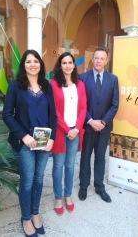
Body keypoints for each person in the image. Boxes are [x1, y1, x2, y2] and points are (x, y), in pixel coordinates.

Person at [2, 50, 57, 237]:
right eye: (28, 61)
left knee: (39, 179)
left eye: (36, 61)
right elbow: (7, 115)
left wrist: (53, 138)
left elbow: (53, 115)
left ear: (40, 64)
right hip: (25, 141)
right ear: (23, 65)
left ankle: (35, 213)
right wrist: (23, 136)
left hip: (43, 140)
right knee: (27, 181)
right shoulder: (15, 86)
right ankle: (25, 218)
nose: (32, 64)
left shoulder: (47, 86)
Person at [78, 47, 119, 203]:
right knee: (85, 157)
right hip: (87, 126)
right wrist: (89, 120)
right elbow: (80, 104)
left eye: (102, 58)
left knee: (100, 158)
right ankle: (83, 186)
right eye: (96, 58)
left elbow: (114, 104)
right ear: (92, 59)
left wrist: (103, 122)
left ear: (106, 61)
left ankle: (99, 186)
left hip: (104, 128)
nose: (98, 61)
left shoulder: (113, 79)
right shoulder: (82, 78)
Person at [50, 52, 86, 215]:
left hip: (75, 130)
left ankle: (68, 195)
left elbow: (84, 108)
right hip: (60, 131)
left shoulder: (80, 84)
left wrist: (76, 129)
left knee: (70, 165)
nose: (67, 65)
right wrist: (67, 130)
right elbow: (54, 111)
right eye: (64, 63)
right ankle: (58, 197)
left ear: (74, 65)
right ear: (60, 65)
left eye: (70, 62)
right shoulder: (53, 84)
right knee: (58, 165)